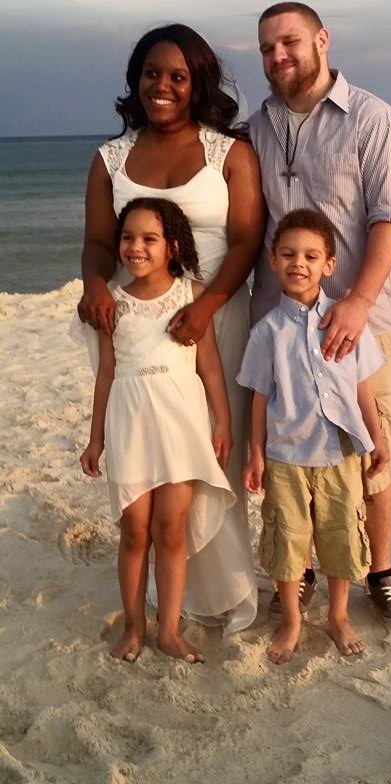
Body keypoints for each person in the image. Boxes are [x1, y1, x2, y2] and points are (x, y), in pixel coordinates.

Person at [76, 24, 265, 633]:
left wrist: (208, 306)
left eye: (178, 76)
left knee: (211, 452)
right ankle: (160, 595)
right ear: (135, 79)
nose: (163, 85)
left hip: (216, 319)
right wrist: (94, 286)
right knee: (152, 454)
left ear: (197, 83)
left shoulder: (229, 153)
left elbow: (247, 240)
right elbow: (98, 243)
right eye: (151, 73)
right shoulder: (109, 159)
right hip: (137, 327)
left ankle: (221, 590)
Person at [249, 2, 391, 627]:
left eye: (289, 42)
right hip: (280, 322)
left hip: (361, 321)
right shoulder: (258, 126)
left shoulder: (373, 119)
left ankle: (382, 571)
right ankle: (301, 571)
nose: (278, 56)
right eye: (266, 48)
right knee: (291, 450)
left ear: (322, 40)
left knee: (373, 446)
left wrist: (357, 302)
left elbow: (390, 218)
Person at [81, 198, 239, 663]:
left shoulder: (192, 294)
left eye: (149, 238)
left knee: (170, 530)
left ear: (172, 246)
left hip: (180, 428)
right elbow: (106, 373)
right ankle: (134, 628)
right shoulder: (113, 302)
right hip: (130, 425)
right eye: (128, 237)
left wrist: (223, 421)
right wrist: (96, 439)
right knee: (134, 531)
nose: (136, 247)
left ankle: (169, 631)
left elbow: (211, 367)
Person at [238, 209, 390, 664]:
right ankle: (291, 620)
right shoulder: (266, 331)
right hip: (285, 454)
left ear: (329, 264)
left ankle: (338, 616)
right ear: (272, 261)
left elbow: (363, 388)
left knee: (341, 533)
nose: (298, 263)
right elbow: (259, 397)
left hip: (339, 451)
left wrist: (377, 440)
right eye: (287, 254)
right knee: (288, 538)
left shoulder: (347, 323)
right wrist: (256, 454)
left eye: (310, 255)